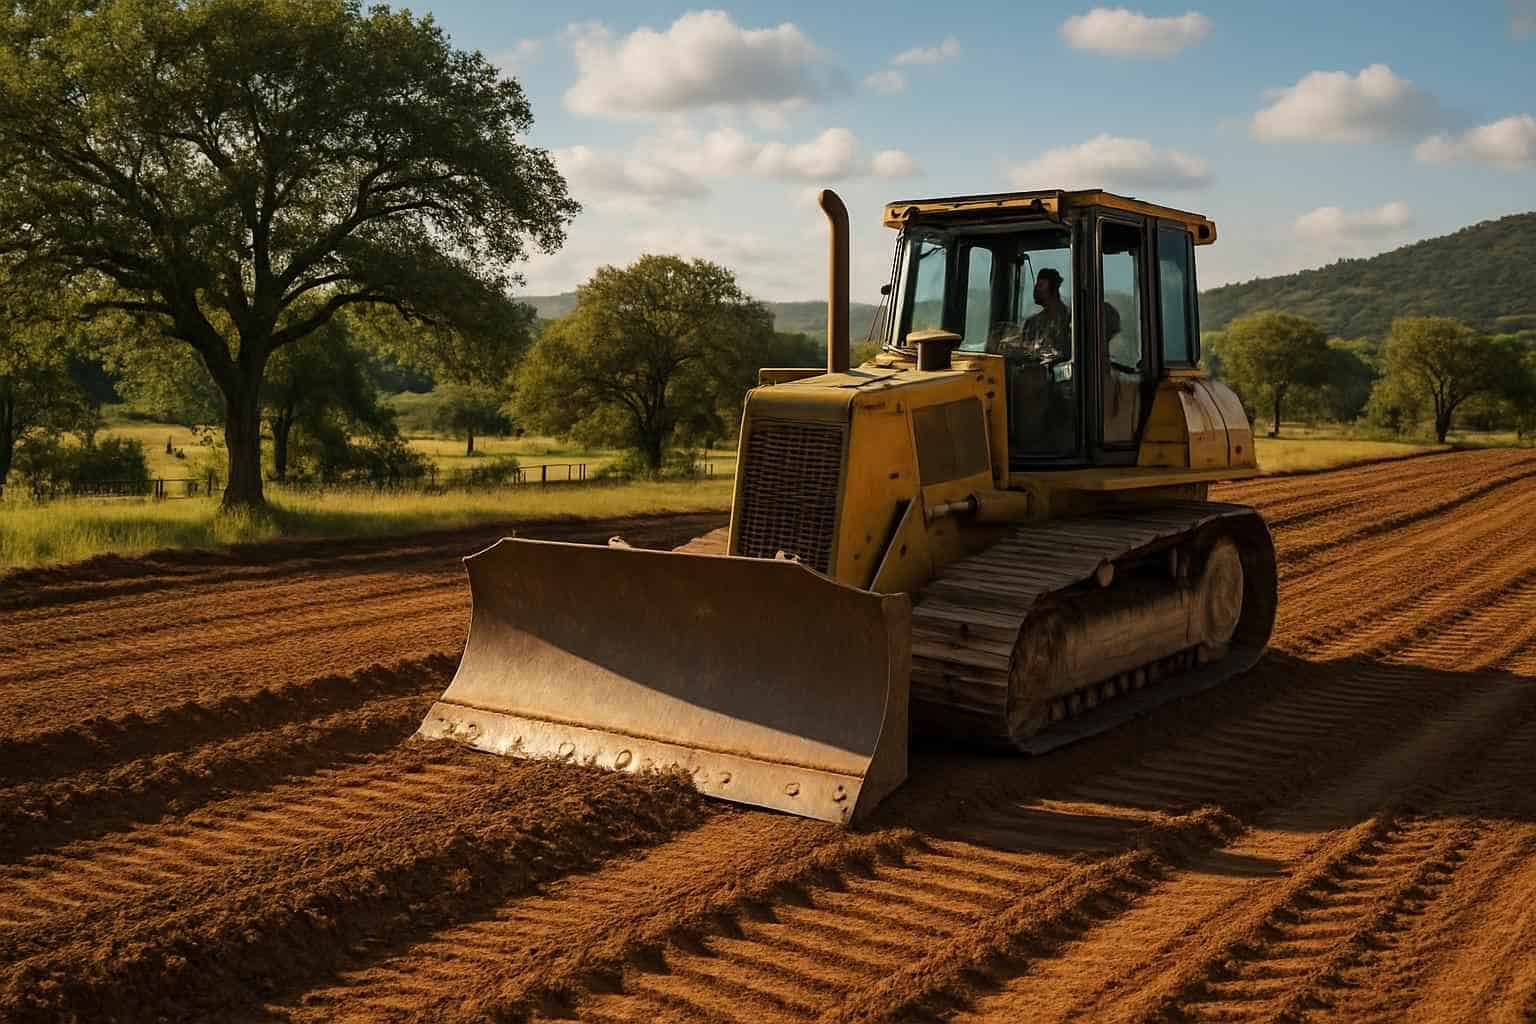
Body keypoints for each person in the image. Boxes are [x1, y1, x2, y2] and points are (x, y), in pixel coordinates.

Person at [1021, 267, 1071, 361]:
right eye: (1036, 285)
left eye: (1040, 285)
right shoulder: (1031, 323)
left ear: (1054, 289)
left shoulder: (1069, 319)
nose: (1035, 290)